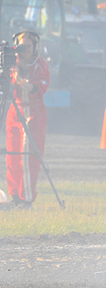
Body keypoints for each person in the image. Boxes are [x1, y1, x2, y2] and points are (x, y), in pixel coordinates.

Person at [4, 30, 50, 210]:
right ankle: (14, 196)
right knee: (12, 155)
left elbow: (39, 88)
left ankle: (26, 199)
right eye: (21, 46)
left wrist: (22, 81)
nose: (24, 50)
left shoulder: (40, 66)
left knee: (28, 157)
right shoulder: (12, 64)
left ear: (35, 48)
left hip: (33, 111)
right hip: (15, 110)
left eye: (28, 47)